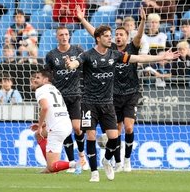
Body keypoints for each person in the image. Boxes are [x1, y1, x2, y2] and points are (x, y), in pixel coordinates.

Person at [65, 25, 179, 182]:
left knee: (113, 138)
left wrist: (160, 57)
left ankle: (106, 160)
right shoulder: (88, 55)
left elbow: (137, 58)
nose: (110, 38)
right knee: (91, 136)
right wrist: (71, 65)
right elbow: (76, 63)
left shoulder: (115, 54)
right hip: (89, 103)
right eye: (106, 35)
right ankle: (94, 173)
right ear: (98, 38)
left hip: (107, 103)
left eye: (110, 35)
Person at [77, 5, 146, 173]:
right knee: (115, 132)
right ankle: (116, 161)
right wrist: (82, 19)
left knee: (129, 127)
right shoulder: (111, 49)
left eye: (122, 34)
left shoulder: (131, 48)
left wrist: (143, 20)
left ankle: (127, 160)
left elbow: (138, 36)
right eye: (117, 35)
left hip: (130, 93)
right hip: (112, 95)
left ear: (127, 37)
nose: (118, 37)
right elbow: (95, 32)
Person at [44, 26, 88, 173]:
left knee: (77, 128)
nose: (64, 37)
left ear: (69, 36)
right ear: (57, 37)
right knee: (66, 130)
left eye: (66, 34)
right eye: (61, 34)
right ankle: (70, 162)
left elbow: (85, 66)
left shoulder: (77, 51)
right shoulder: (51, 55)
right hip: (59, 99)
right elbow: (48, 76)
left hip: (75, 95)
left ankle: (82, 156)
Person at [30, 69, 81, 174]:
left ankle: (74, 164)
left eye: (38, 78)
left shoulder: (40, 90)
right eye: (34, 78)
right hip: (66, 124)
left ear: (46, 80)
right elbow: (54, 110)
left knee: (53, 167)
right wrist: (43, 124)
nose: (34, 80)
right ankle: (49, 165)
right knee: (39, 135)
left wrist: (40, 127)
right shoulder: (53, 88)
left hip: (57, 129)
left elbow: (45, 108)